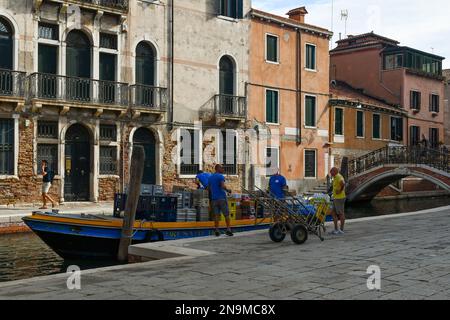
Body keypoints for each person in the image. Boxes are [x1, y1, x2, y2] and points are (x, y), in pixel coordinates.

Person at [208, 164, 233, 237]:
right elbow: (222, 186)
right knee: (226, 215)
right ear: (218, 168)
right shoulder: (220, 176)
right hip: (221, 198)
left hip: (214, 199)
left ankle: (217, 230)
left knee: (216, 215)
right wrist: (228, 190)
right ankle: (228, 229)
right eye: (222, 168)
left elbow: (209, 188)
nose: (223, 169)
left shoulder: (210, 177)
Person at [329, 167, 346, 235]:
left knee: (341, 213)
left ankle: (341, 230)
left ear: (335, 171)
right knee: (332, 213)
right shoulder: (335, 177)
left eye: (331, 172)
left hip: (340, 198)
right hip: (336, 198)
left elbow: (343, 183)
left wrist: (340, 190)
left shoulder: (339, 176)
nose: (331, 174)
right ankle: (336, 229)